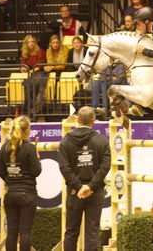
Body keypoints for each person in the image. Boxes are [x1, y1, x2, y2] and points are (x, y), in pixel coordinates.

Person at [58, 106, 110, 251]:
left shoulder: (66, 141)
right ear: (94, 120)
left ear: (77, 120)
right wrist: (90, 186)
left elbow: (64, 168)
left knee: (71, 232)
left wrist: (79, 187)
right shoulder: (102, 140)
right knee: (92, 232)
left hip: (75, 193)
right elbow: (105, 167)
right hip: (95, 192)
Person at [0, 116, 41, 251]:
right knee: (25, 232)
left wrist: (12, 181)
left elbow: (1, 172)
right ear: (27, 130)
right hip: (27, 194)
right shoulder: (29, 147)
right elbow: (36, 172)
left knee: (11, 232)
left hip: (10, 194)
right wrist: (37, 158)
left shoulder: (4, 147)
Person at [20, 35, 47, 115]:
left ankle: (25, 108)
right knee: (28, 87)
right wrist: (23, 68)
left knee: (30, 85)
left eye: (32, 42)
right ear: (26, 44)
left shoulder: (40, 51)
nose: (31, 43)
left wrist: (33, 69)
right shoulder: (25, 53)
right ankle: (29, 108)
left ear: (35, 43)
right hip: (30, 73)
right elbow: (24, 64)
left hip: (40, 72)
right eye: (29, 42)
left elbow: (40, 64)